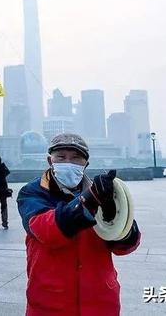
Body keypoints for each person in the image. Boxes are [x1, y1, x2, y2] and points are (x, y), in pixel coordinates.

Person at [17, 133, 141, 316]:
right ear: (50, 161)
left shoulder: (104, 193)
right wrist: (88, 201)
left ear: (86, 164)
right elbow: (46, 230)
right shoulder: (32, 193)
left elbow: (126, 245)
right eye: (61, 157)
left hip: (101, 302)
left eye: (76, 158)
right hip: (49, 303)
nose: (68, 162)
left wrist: (111, 213)